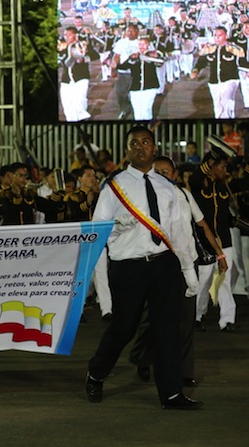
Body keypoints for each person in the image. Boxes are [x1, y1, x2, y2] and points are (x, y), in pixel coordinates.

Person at [86, 125, 202, 410]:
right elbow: (97, 232)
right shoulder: (114, 187)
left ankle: (171, 393)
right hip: (129, 267)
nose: (140, 147)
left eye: (145, 142)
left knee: (167, 329)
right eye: (134, 143)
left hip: (163, 264)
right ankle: (96, 373)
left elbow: (179, 232)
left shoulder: (167, 187)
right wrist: (114, 227)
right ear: (127, 150)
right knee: (124, 328)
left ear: (155, 147)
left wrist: (188, 271)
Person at [129, 155, 227, 388]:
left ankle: (184, 371)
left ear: (174, 175)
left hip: (187, 265)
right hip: (157, 265)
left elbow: (202, 225)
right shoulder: (142, 198)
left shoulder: (184, 195)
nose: (162, 176)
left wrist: (220, 255)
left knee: (185, 320)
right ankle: (142, 357)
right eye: (157, 172)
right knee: (151, 318)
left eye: (166, 172)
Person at [189, 138, 237, 332]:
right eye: (222, 166)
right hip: (205, 242)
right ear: (212, 167)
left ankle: (227, 320)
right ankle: (197, 314)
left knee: (224, 279)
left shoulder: (225, 186)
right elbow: (194, 178)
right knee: (205, 279)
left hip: (224, 240)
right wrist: (211, 158)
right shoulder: (199, 184)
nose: (225, 170)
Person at [191, 27, 245, 119]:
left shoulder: (234, 49)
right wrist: (196, 70)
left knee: (227, 102)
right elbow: (201, 61)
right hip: (214, 81)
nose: (217, 37)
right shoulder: (209, 48)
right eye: (215, 35)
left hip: (230, 80)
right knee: (217, 105)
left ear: (226, 36)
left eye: (220, 35)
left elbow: (243, 62)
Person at [58, 26, 99, 121]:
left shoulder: (83, 45)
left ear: (75, 35)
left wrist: (84, 59)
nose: (66, 37)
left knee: (79, 100)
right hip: (66, 79)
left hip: (81, 77)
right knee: (67, 102)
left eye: (69, 35)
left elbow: (95, 56)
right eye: (65, 35)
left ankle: (81, 119)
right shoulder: (62, 47)